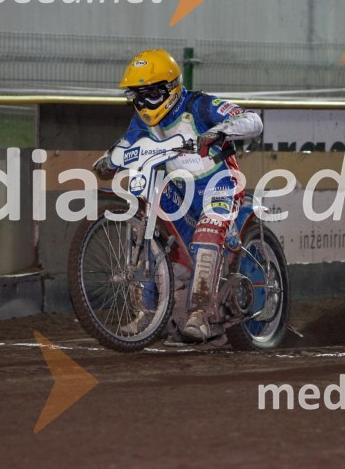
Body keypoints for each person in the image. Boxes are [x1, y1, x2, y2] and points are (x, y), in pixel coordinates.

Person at [93, 49, 264, 341]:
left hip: (219, 182)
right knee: (143, 223)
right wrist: (109, 160)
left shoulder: (199, 105)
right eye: (137, 95)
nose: (143, 103)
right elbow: (125, 145)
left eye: (150, 94)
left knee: (208, 232)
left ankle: (200, 313)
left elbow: (252, 120)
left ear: (170, 88)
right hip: (180, 192)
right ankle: (147, 313)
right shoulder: (142, 122)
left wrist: (219, 131)